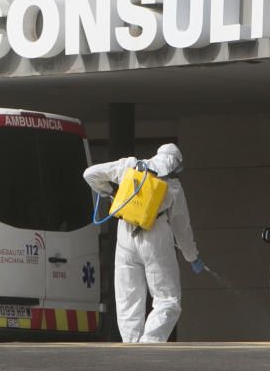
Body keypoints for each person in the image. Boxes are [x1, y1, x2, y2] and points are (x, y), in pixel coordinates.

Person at [83, 143, 204, 343]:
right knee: (167, 299)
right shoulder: (173, 185)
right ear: (176, 165)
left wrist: (110, 194)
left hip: (125, 236)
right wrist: (192, 256)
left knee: (128, 299)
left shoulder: (130, 165)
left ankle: (131, 345)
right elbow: (182, 227)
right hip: (156, 237)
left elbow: (90, 174)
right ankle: (150, 343)